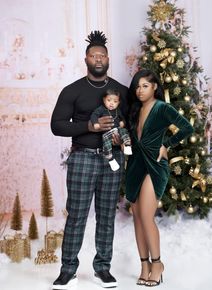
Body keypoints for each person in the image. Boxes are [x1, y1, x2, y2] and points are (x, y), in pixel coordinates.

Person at [50, 30, 128, 289]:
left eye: (102, 55)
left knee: (106, 215)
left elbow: (134, 125)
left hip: (112, 160)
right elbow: (57, 126)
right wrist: (90, 128)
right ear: (86, 59)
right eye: (93, 55)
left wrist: (122, 139)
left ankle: (102, 269)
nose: (98, 59)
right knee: (77, 215)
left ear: (108, 59)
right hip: (82, 158)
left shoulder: (122, 92)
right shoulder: (72, 90)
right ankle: (68, 269)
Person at [125, 69, 194, 287]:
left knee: (146, 216)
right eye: (137, 86)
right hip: (135, 165)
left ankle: (157, 265)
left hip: (155, 167)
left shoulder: (162, 108)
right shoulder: (135, 110)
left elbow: (187, 127)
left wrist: (168, 145)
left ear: (155, 86)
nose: (140, 90)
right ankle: (144, 266)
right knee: (136, 217)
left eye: (145, 85)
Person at [90, 88, 132, 171]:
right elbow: (93, 115)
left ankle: (127, 145)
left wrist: (122, 122)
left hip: (117, 130)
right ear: (104, 100)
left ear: (118, 103)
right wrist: (95, 123)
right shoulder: (101, 109)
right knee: (106, 142)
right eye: (109, 100)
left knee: (124, 131)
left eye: (115, 101)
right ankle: (110, 158)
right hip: (107, 132)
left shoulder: (118, 111)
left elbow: (123, 118)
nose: (111, 103)